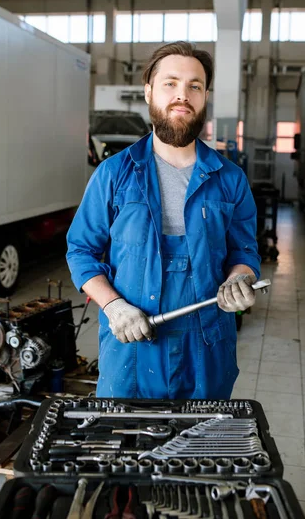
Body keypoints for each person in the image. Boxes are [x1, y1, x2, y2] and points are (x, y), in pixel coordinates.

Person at [66, 41, 261, 399]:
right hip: (132, 347)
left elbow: (244, 253)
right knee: (125, 446)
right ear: (149, 92)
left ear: (204, 97)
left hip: (207, 350)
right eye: (170, 83)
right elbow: (80, 251)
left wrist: (239, 281)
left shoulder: (230, 179)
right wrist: (114, 305)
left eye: (194, 86)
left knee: (199, 448)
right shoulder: (114, 175)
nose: (182, 95)